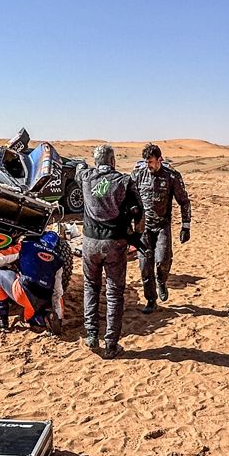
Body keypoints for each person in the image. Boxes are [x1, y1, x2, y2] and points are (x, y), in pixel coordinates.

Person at [76, 143, 143, 359]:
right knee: (114, 293)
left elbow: (78, 169)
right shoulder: (124, 181)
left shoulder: (86, 177)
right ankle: (111, 344)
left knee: (91, 287)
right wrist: (137, 237)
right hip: (115, 243)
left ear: (97, 162)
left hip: (90, 243)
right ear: (113, 161)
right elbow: (139, 212)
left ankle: (92, 335)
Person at [130, 143, 192, 314]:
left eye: (151, 162)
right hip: (143, 228)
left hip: (163, 226)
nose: (148, 165)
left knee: (162, 260)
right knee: (144, 266)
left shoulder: (172, 176)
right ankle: (151, 300)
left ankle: (162, 281)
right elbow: (128, 199)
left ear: (159, 159)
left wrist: (185, 226)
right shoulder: (138, 175)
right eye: (146, 162)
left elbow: (184, 201)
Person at [0, 231, 66, 334]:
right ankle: (42, 318)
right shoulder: (59, 261)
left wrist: (8, 252)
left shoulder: (26, 246)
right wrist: (58, 318)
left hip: (24, 293)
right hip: (44, 299)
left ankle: (0, 319)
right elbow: (58, 292)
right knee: (33, 311)